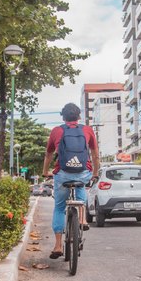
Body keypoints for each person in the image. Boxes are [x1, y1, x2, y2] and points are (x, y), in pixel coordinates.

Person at [42, 103, 99, 259]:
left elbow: (48, 155)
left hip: (63, 174)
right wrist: (94, 173)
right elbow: (95, 155)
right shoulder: (87, 130)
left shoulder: (56, 131)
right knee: (81, 187)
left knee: (59, 207)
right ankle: (82, 219)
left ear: (63, 117)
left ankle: (58, 245)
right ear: (79, 116)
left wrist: (45, 172)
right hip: (83, 173)